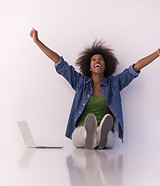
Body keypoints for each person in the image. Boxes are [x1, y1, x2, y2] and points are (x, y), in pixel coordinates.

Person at [30, 28, 160, 150]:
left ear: (105, 66)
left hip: (105, 133)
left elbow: (135, 68)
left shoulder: (114, 84)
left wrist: (158, 52)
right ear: (89, 67)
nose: (97, 61)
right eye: (93, 60)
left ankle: (98, 135)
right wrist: (37, 41)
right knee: (79, 136)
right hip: (81, 130)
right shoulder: (80, 82)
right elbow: (59, 62)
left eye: (100, 59)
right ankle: (92, 135)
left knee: (109, 138)